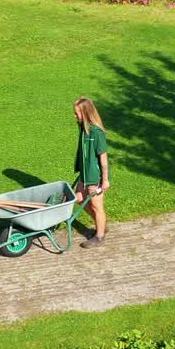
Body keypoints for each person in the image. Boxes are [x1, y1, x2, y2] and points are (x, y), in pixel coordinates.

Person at [72, 97, 110, 248]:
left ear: (86, 113)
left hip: (95, 176)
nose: (75, 116)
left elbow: (104, 159)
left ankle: (99, 236)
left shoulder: (97, 132)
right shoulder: (83, 129)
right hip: (85, 174)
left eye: (77, 113)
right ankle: (101, 225)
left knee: (96, 206)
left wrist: (105, 180)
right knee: (79, 198)